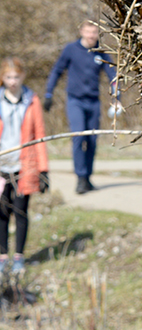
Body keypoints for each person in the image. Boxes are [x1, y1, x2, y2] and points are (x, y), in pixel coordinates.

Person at [44, 20, 117, 194]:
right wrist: (49, 94)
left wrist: (117, 98)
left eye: (95, 32)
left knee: (92, 140)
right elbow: (57, 71)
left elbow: (113, 76)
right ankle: (80, 177)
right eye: (88, 31)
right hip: (75, 101)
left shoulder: (101, 52)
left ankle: (87, 177)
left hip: (93, 102)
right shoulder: (71, 49)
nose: (92, 35)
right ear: (82, 31)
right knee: (78, 137)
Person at [0, 57, 49, 276]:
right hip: (1, 165)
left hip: (25, 165)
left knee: (20, 211)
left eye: (16, 77)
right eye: (8, 77)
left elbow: (39, 135)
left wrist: (43, 169)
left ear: (23, 77)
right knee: (1, 212)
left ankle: (19, 257)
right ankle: (2, 258)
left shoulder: (32, 100)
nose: (12, 81)